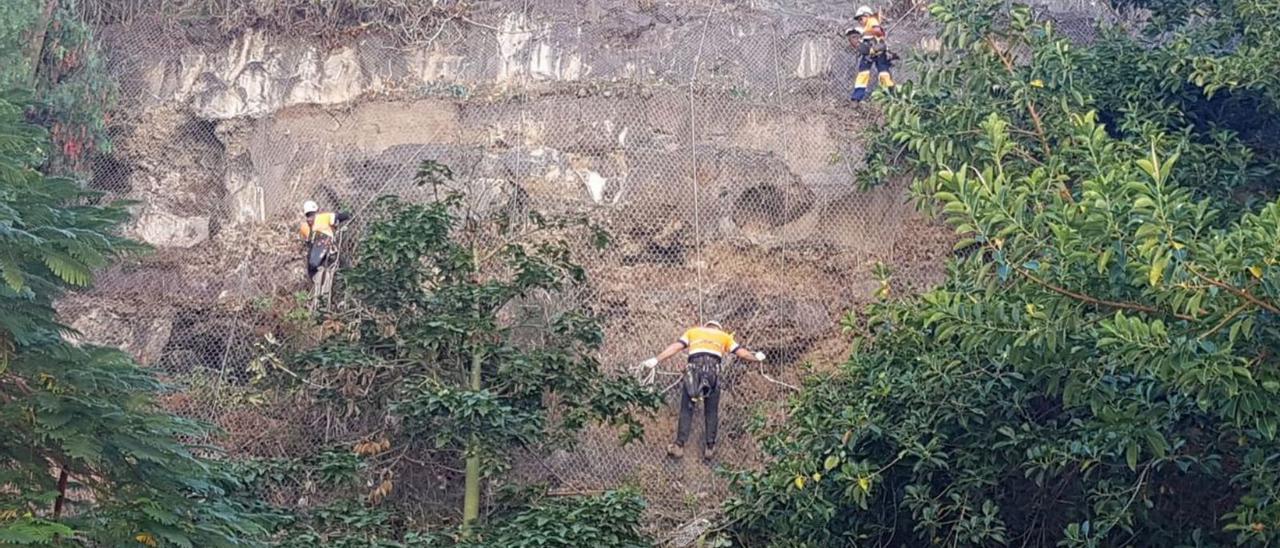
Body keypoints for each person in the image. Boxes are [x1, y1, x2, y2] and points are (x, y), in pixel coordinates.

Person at [640, 321, 766, 461]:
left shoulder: (693, 332)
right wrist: (756, 358)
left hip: (694, 370)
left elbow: (676, 347)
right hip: (712, 372)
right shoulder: (724, 336)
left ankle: (679, 445)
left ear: (705, 326)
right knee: (711, 411)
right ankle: (710, 447)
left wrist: (656, 359)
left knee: (687, 408)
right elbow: (741, 352)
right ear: (718, 328)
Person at [844, 5, 895, 102]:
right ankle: (857, 97)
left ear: (867, 16)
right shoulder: (864, 29)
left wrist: (878, 45)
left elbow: (879, 34)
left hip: (879, 52)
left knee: (883, 74)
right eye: (858, 20)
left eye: (861, 18)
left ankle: (890, 95)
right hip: (869, 53)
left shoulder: (873, 22)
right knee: (863, 74)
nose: (859, 21)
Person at [297, 200, 351, 283]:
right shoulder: (324, 217)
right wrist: (348, 214)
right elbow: (340, 216)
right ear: (316, 210)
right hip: (328, 244)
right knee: (342, 261)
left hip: (315, 251)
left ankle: (316, 282)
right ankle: (348, 274)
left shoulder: (303, 227)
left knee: (312, 267)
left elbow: (307, 241)